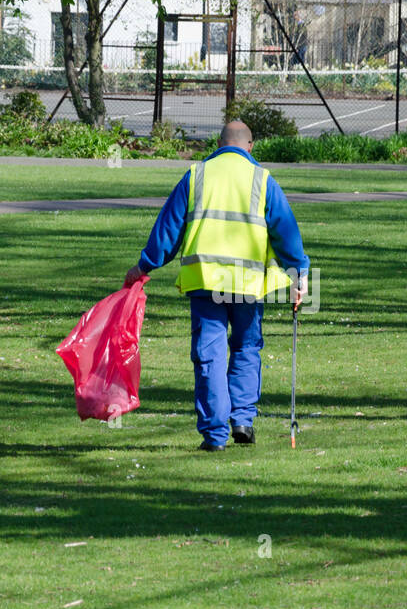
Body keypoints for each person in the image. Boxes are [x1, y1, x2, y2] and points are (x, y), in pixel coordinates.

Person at [124, 120, 309, 451]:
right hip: (247, 284)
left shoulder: (196, 176)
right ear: (249, 146)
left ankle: (214, 435)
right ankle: (242, 420)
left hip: (206, 281)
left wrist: (143, 266)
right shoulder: (262, 179)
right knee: (246, 348)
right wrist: (300, 274)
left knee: (209, 354)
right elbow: (286, 232)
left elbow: (168, 230)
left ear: (219, 143)